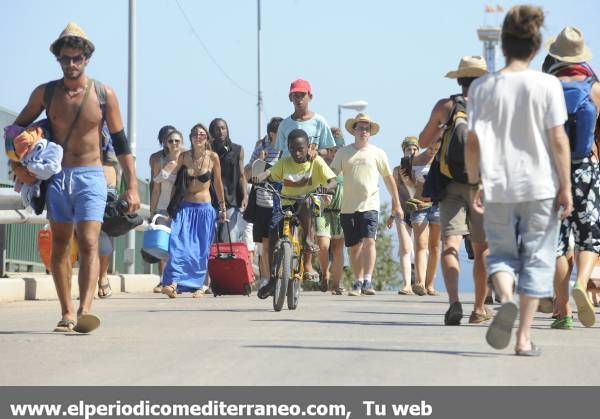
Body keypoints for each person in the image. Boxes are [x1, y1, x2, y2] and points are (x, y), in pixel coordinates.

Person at [12, 22, 140, 333]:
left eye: (77, 58)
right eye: (65, 59)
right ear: (58, 59)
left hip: (91, 176)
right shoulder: (46, 92)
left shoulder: (103, 94)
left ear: (86, 58)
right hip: (57, 177)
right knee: (59, 245)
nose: (71, 64)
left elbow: (121, 142)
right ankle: (67, 312)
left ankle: (85, 309)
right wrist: (18, 167)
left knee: (89, 241)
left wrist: (133, 186)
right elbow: (13, 132)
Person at [466, 5, 573, 356]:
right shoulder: (548, 84)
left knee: (500, 255)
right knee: (539, 258)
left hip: (498, 184)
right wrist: (566, 185)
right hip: (540, 185)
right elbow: (558, 139)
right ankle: (524, 338)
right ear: (535, 47)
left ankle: (506, 298)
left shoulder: (481, 88)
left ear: (504, 45)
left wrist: (474, 180)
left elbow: (472, 141)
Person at [419, 56, 490, 325]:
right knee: (482, 249)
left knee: (450, 244)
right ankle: (480, 308)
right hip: (483, 186)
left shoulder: (446, 106)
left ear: (459, 80)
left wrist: (442, 128)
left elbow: (425, 142)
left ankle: (453, 303)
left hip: (451, 186)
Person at [542, 27, 600, 329]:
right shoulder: (594, 86)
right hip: (587, 168)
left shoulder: (546, 86)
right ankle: (582, 285)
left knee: (558, 241)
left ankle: (563, 310)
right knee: (589, 234)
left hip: (553, 170)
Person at [253, 129, 337, 298]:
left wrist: (326, 188)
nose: (297, 153)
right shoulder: (284, 162)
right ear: (288, 148)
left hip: (307, 201)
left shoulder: (316, 162)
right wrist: (260, 177)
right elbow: (270, 172)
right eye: (292, 149)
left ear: (308, 147)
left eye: (301, 149)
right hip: (286, 202)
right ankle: (272, 280)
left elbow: (333, 181)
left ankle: (307, 238)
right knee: (272, 234)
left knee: (305, 202)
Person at [330, 113, 403, 296]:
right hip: (348, 207)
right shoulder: (343, 152)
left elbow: (388, 179)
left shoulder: (378, 153)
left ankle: (368, 280)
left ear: (370, 133)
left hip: (370, 204)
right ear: (353, 130)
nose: (363, 131)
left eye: (367, 129)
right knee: (354, 247)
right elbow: (331, 176)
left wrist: (397, 204)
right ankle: (358, 281)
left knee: (370, 241)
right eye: (360, 128)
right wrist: (322, 188)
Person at [275, 79, 335, 283]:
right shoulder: (285, 124)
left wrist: (317, 152)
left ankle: (308, 264)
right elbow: (281, 154)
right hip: (290, 179)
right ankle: (279, 267)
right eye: (295, 95)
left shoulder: (319, 122)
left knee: (308, 217)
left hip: (311, 180)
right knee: (280, 222)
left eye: (302, 95)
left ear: (310, 96)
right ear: (290, 98)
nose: (298, 99)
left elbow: (330, 151)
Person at [161, 125, 226, 298]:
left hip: (205, 209)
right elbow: (170, 179)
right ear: (190, 137)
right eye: (196, 134)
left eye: (202, 134)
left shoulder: (213, 157)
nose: (199, 137)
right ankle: (173, 283)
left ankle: (200, 285)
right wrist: (170, 207)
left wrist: (222, 207)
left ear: (207, 138)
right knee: (177, 245)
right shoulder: (183, 157)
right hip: (185, 208)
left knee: (200, 251)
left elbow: (218, 184)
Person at [398, 139, 442, 296]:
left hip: (437, 206)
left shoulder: (442, 159)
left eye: (437, 147)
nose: (433, 150)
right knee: (420, 244)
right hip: (418, 206)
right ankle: (419, 283)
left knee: (435, 246)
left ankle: (430, 285)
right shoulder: (412, 162)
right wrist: (409, 182)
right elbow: (409, 188)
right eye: (431, 146)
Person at [245, 116, 283, 292]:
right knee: (265, 245)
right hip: (262, 203)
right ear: (271, 134)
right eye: (279, 134)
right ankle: (267, 278)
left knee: (280, 243)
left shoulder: (288, 147)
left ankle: (282, 275)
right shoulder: (261, 146)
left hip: (282, 202)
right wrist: (258, 161)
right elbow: (246, 173)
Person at [149, 128, 183, 292]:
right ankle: (164, 280)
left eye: (177, 141)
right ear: (165, 144)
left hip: (182, 210)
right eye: (170, 141)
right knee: (163, 247)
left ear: (182, 143)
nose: (174, 143)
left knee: (179, 246)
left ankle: (177, 280)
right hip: (163, 209)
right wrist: (152, 211)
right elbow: (155, 189)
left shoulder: (186, 161)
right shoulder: (159, 162)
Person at [316, 127, 345, 294]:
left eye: (338, 149)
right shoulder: (321, 163)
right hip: (322, 210)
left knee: (338, 249)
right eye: (332, 149)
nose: (334, 153)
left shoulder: (344, 165)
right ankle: (324, 273)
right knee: (323, 245)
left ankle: (336, 283)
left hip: (341, 210)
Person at [209, 118, 248, 243]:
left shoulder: (238, 150)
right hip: (210, 203)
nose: (220, 132)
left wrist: (245, 196)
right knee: (210, 243)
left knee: (229, 240)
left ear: (227, 130)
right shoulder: (207, 152)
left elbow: (242, 176)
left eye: (223, 128)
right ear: (212, 132)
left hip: (231, 202)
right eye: (217, 129)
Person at [393, 137, 419, 295]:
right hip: (402, 211)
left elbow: (418, 192)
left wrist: (409, 180)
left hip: (419, 212)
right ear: (404, 151)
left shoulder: (421, 169)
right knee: (405, 247)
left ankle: (422, 282)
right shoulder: (397, 170)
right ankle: (407, 285)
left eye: (415, 149)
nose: (412, 152)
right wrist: (392, 211)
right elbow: (394, 192)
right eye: (409, 149)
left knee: (422, 249)